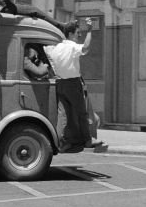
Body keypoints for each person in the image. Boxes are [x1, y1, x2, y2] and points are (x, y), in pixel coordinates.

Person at [45, 19, 107, 153]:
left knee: (63, 115)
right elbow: (85, 48)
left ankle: (61, 142)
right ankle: (88, 139)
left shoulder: (56, 48)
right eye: (78, 33)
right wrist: (90, 30)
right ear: (71, 34)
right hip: (73, 83)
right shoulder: (72, 47)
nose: (79, 35)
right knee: (81, 113)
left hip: (60, 83)